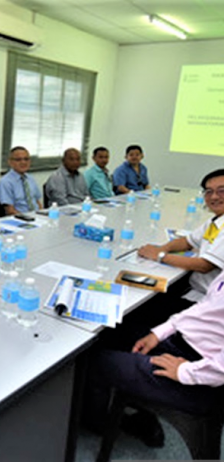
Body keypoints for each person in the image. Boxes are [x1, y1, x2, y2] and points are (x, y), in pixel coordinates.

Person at [83, 268, 224, 448]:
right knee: (109, 333)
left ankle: (98, 423)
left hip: (204, 377)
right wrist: (159, 333)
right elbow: (205, 307)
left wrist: (184, 371)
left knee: (98, 362)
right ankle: (108, 406)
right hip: (187, 345)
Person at [137, 169, 224, 323]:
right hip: (196, 288)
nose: (214, 197)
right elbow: (187, 241)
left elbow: (204, 265)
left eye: (221, 191)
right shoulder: (216, 221)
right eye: (209, 192)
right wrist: (162, 248)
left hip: (211, 304)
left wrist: (160, 256)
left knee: (140, 313)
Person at [0, 146, 42, 215]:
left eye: (26, 159)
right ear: (10, 162)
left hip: (36, 216)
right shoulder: (5, 182)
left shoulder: (30, 179)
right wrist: (29, 218)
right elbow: (10, 211)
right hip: (20, 218)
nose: (23, 162)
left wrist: (42, 215)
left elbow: (37, 202)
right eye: (18, 160)